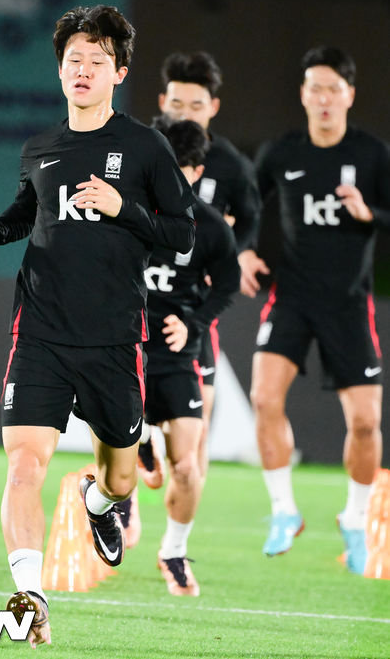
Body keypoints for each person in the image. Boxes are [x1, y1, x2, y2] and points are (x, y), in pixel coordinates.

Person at [0, 4, 195, 647]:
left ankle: (98, 502)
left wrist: (126, 208)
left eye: (97, 61)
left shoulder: (146, 147)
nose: (84, 71)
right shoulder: (40, 147)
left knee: (122, 477)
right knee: (23, 467)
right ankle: (29, 593)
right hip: (38, 332)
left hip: (115, 339)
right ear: (60, 72)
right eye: (74, 61)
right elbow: (24, 211)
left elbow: (181, 238)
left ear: (119, 71)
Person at [250, 46, 389, 574]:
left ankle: (355, 517)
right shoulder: (281, 153)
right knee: (264, 398)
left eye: (334, 88)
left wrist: (369, 212)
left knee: (366, 423)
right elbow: (241, 203)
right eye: (315, 88)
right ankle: (284, 511)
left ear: (350, 95)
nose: (325, 98)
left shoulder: (374, 155)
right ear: (303, 95)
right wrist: (241, 250)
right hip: (292, 296)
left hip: (349, 304)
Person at [151, 51, 265, 482]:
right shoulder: (141, 152)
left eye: (196, 106)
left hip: (191, 308)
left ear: (213, 107)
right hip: (139, 306)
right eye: (176, 105)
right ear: (162, 101)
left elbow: (251, 218)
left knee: (198, 426)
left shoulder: (231, 166)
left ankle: (176, 542)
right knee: (121, 423)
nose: (185, 114)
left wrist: (242, 248)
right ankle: (126, 506)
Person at [138, 117, 240, 595]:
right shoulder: (130, 209)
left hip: (180, 353)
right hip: (127, 348)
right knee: (121, 454)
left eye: (181, 170)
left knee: (186, 467)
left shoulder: (212, 227)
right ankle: (133, 449)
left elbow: (229, 286)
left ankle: (174, 551)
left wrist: (194, 322)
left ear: (197, 172)